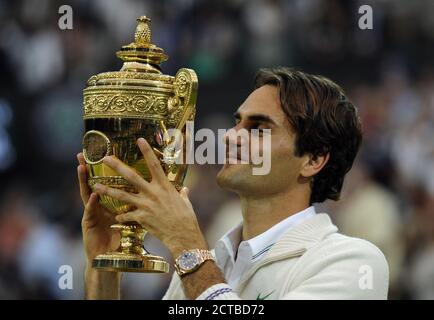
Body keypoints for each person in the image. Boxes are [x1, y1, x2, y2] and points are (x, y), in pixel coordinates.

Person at [77, 67, 389, 300]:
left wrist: (187, 246)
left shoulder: (351, 261)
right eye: (236, 122)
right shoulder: (213, 260)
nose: (230, 136)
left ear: (313, 159)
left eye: (258, 128)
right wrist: (103, 268)